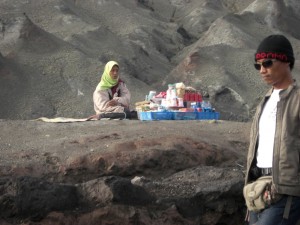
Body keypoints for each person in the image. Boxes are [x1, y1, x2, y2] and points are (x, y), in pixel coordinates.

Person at [244, 34, 300, 225]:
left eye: (267, 63)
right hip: (257, 189)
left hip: (285, 189)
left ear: (286, 61)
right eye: (257, 65)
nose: (262, 70)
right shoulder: (264, 101)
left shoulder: (297, 99)